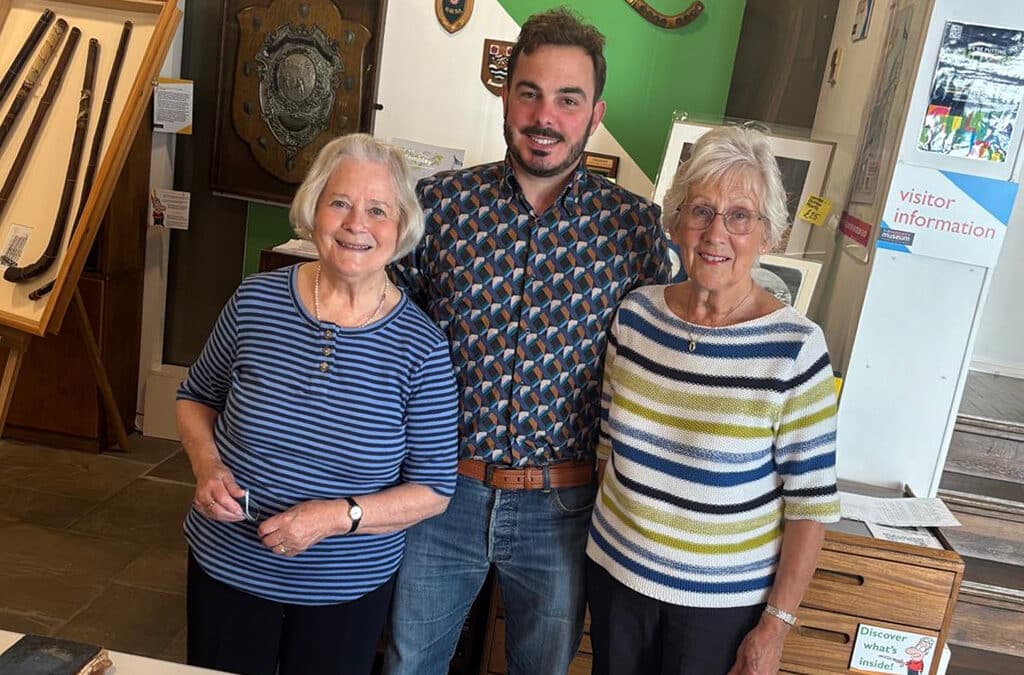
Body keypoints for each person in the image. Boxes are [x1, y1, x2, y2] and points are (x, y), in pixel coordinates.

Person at [384, 8, 672, 674]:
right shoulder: (440, 207)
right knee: (408, 664)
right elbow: (382, 327)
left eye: (567, 100)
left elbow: (672, 345)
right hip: (439, 495)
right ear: (505, 95)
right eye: (530, 92)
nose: (546, 115)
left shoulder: (635, 230)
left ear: (594, 113)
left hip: (562, 509)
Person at [177, 133, 459, 675]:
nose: (357, 224)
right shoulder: (255, 302)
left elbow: (433, 490)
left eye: (378, 210)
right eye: (340, 203)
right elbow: (195, 397)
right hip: (228, 563)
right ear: (313, 211)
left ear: (400, 229)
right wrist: (206, 466)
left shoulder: (421, 349)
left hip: (344, 588)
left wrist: (337, 517)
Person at [585, 125, 840, 675]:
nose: (715, 232)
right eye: (700, 210)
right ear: (675, 223)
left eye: (740, 216)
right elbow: (608, 450)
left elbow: (810, 509)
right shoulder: (635, 316)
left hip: (719, 609)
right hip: (616, 580)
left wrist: (775, 627)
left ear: (768, 235)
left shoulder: (794, 348)